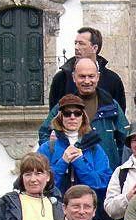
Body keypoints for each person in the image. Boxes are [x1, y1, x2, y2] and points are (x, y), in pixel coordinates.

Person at [38, 58, 128, 189]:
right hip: (62, 185)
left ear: (98, 77)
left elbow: (125, 140)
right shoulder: (62, 105)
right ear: (74, 78)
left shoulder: (111, 106)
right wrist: (57, 150)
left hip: (103, 180)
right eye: (82, 76)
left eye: (91, 76)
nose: (87, 81)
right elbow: (44, 133)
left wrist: (119, 170)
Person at [38, 94, 112, 199]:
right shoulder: (48, 147)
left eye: (77, 113)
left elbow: (102, 184)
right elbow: (40, 184)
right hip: (55, 204)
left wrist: (80, 162)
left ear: (83, 117)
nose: (72, 117)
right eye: (67, 113)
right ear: (60, 117)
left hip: (85, 205)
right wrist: (63, 162)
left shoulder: (94, 148)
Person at [48, 27, 126, 112]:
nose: (76, 47)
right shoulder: (61, 78)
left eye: (81, 44)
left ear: (94, 48)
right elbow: (54, 114)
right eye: (75, 43)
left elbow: (119, 114)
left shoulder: (113, 80)